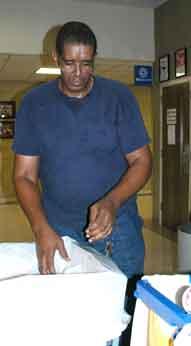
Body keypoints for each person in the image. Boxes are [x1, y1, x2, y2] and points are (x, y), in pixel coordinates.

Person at [13, 19, 151, 319]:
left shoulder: (119, 98)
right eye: (69, 63)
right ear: (55, 58)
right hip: (59, 232)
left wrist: (113, 202)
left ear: (94, 59)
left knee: (124, 311)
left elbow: (142, 161)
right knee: (72, 313)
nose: (78, 73)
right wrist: (40, 228)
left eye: (86, 64)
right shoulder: (34, 104)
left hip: (119, 230)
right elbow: (24, 176)